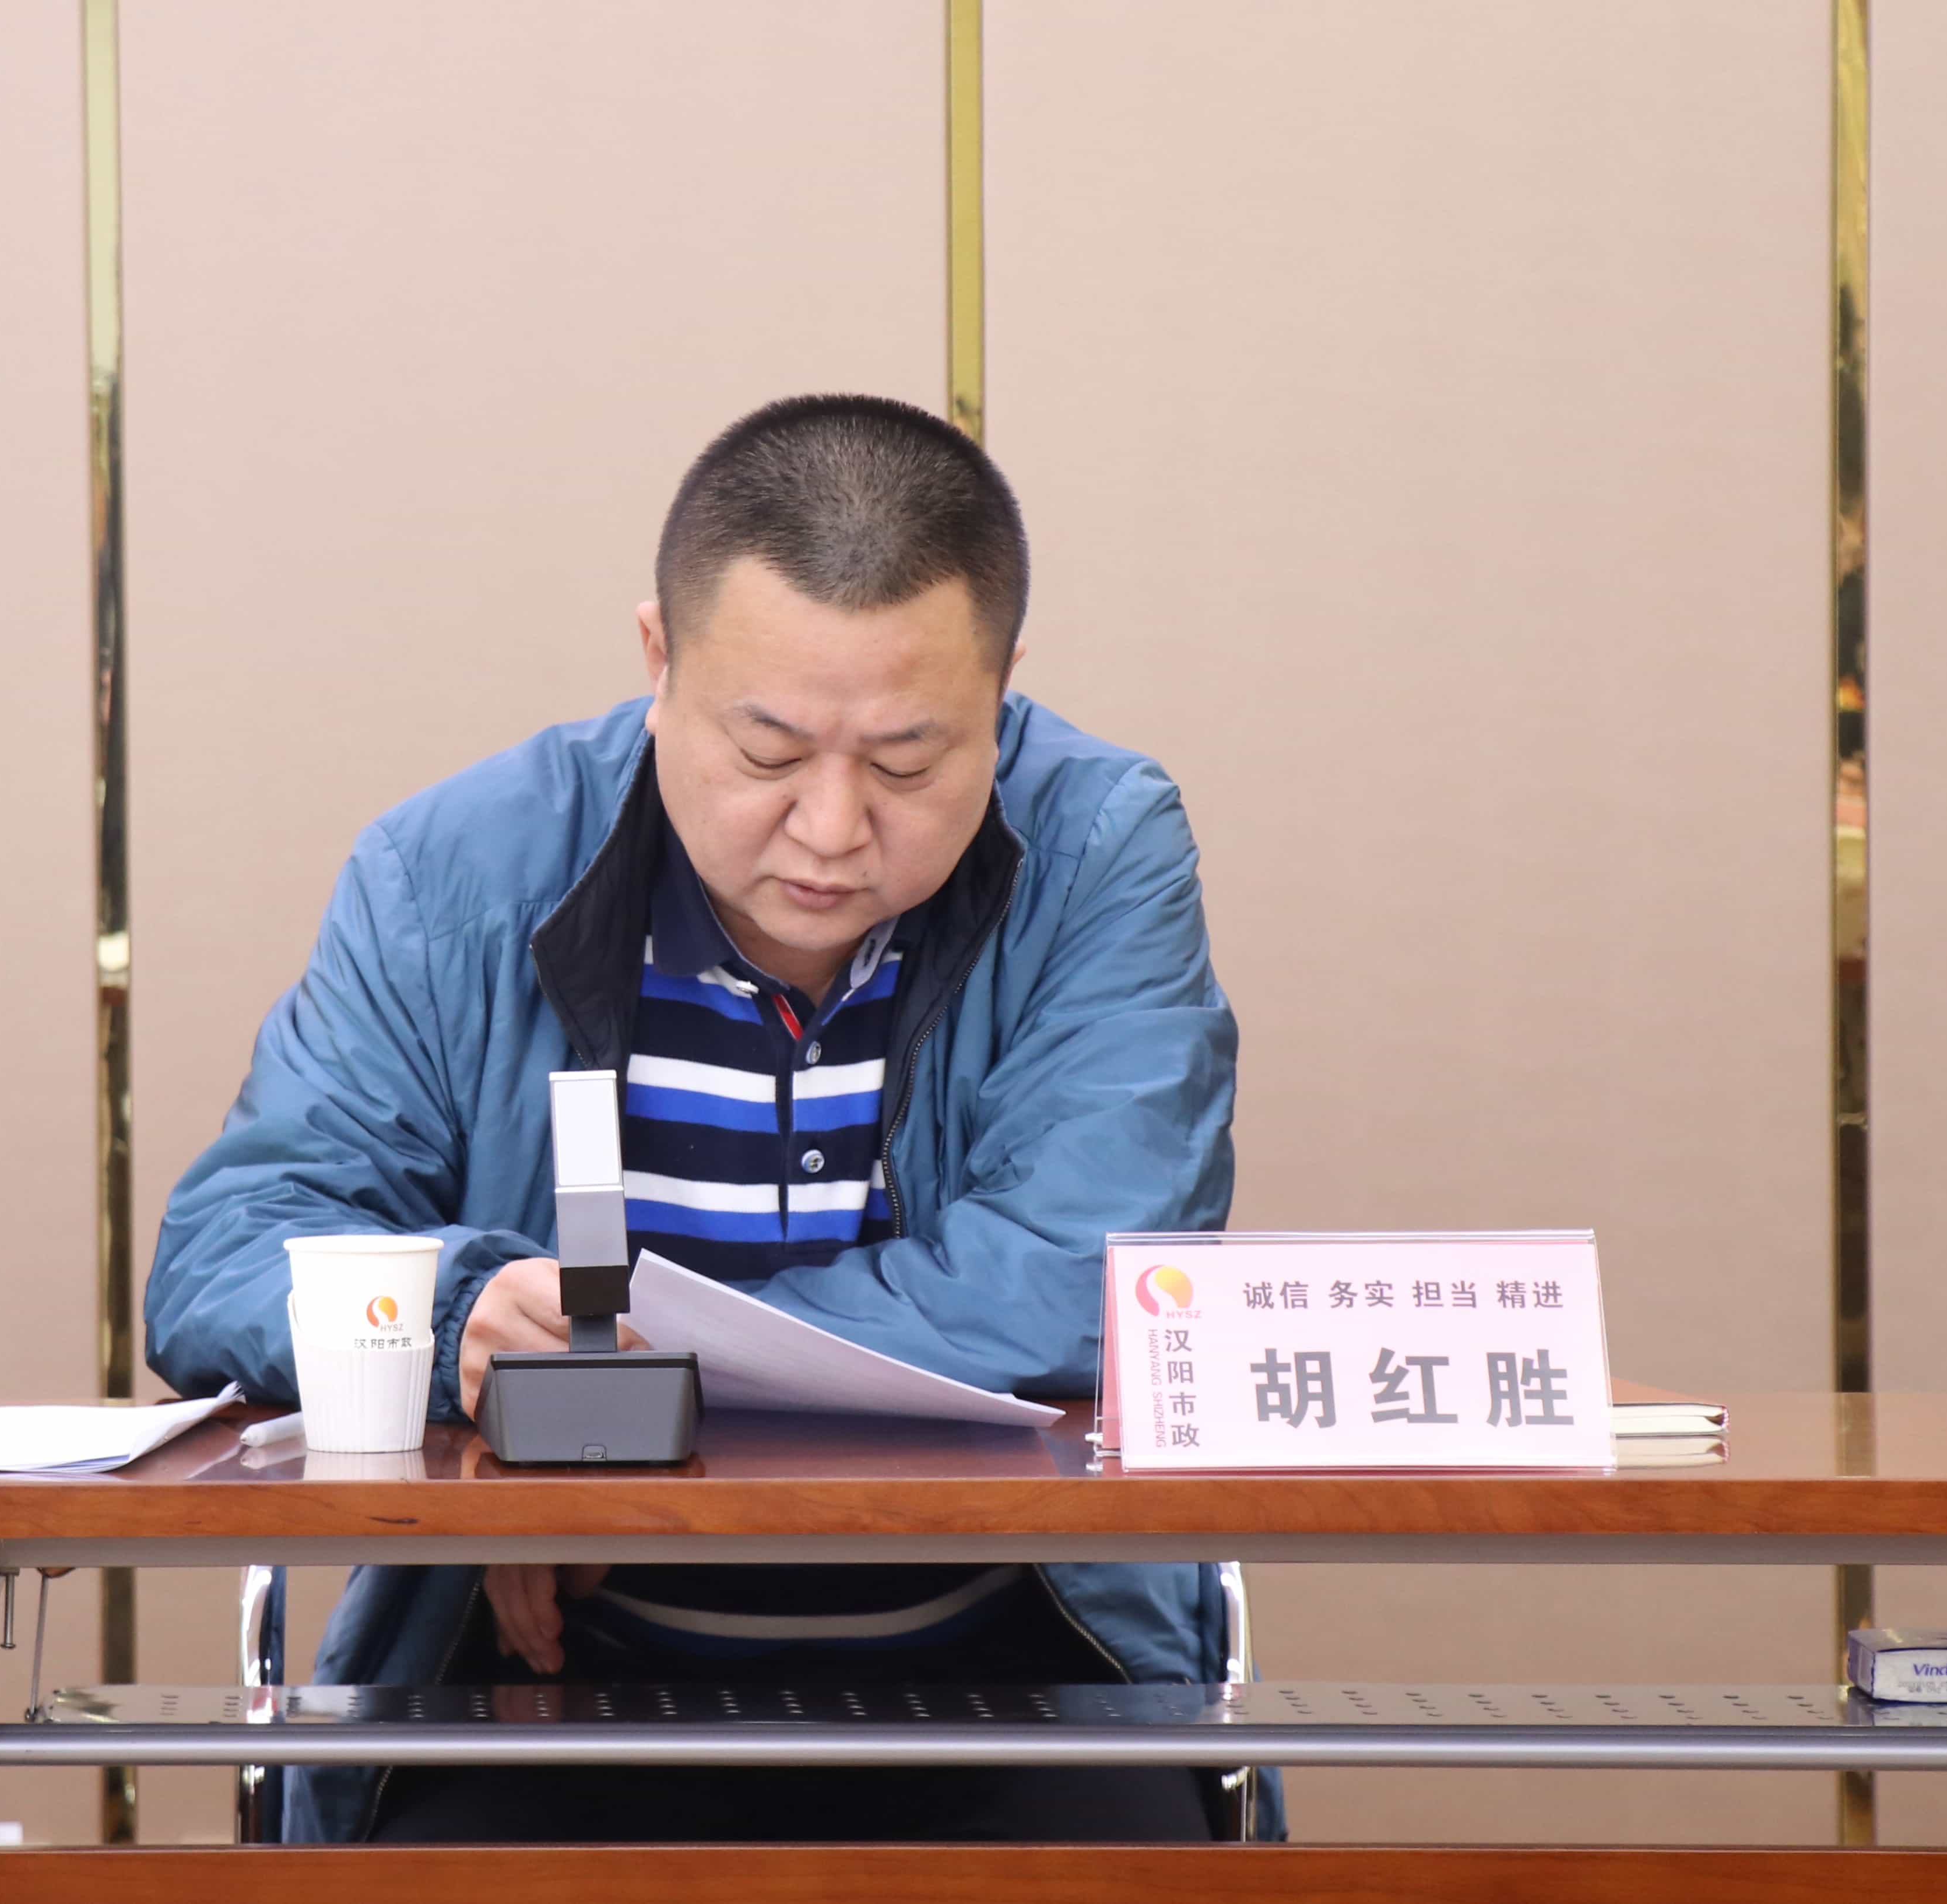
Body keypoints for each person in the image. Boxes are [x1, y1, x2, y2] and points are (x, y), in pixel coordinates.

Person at [146, 392, 1271, 1843]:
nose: (830, 826)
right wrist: (466, 1322)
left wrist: (608, 1417)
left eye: (908, 762)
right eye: (767, 753)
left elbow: (1084, 1278)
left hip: (1020, 1644)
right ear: (657, 657)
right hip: (531, 1663)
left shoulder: (1096, 847)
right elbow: (226, 1251)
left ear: (1001, 693)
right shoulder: (454, 871)